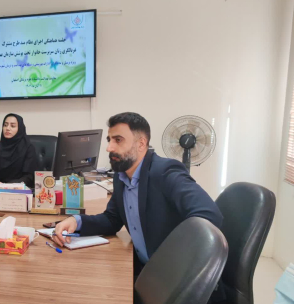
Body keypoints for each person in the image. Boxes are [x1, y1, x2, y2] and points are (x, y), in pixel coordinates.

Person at [53, 112, 223, 276]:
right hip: (145, 272)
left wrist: (175, 259)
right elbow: (112, 220)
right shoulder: (121, 176)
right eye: (109, 140)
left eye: (118, 140)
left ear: (141, 144)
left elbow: (209, 215)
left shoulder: (165, 172)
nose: (109, 148)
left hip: (173, 277)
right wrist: (76, 221)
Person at [0, 113, 37, 189]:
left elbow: (28, 178)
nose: (7, 128)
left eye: (12, 126)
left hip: (20, 191)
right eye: (5, 125)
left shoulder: (28, 148)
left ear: (19, 129)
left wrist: (7, 186)